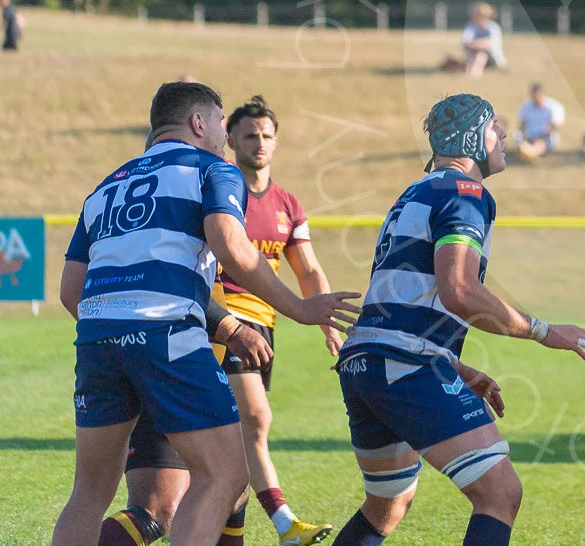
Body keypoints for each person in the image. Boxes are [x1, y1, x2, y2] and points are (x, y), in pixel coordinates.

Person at [55, 80, 360, 546]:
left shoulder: (104, 188)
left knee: (88, 493)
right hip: (168, 334)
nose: (224, 133)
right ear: (199, 123)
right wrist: (301, 308)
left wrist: (119, 324)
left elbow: (70, 290)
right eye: (220, 122)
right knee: (225, 473)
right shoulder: (211, 168)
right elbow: (232, 248)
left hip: (97, 339)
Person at [330, 93, 585, 546]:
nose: (505, 136)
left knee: (388, 504)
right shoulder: (466, 191)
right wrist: (546, 332)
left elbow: (408, 299)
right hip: (405, 365)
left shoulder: (414, 193)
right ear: (473, 136)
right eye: (496, 127)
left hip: (365, 364)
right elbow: (459, 291)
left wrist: (454, 365)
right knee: (500, 493)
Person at [214, 96, 341, 545]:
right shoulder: (219, 190)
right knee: (255, 418)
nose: (259, 143)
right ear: (230, 140)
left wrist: (326, 318)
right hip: (224, 324)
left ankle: (226, 533)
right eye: (250, 135)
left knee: (234, 445)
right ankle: (285, 524)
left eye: (266, 135)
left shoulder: (288, 203)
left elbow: (306, 269)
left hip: (265, 327)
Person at [98, 301, 272, 546]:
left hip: (172, 357)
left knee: (232, 486)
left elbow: (71, 290)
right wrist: (297, 308)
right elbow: (233, 265)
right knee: (159, 508)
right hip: (175, 361)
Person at [515, 83, 566, 161]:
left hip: (546, 137)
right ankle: (528, 151)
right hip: (529, 136)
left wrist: (543, 133)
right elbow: (522, 124)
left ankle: (530, 153)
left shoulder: (554, 107)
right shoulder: (526, 107)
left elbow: (556, 125)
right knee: (517, 136)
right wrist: (524, 134)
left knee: (540, 143)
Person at [461, 3, 507, 77]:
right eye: (477, 15)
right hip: (472, 55)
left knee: (481, 55)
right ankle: (469, 72)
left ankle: (475, 74)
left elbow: (489, 45)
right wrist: (479, 44)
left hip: (492, 58)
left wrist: (475, 44)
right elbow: (465, 42)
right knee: (474, 55)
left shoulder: (493, 27)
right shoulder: (470, 26)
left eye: (482, 16)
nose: (479, 18)